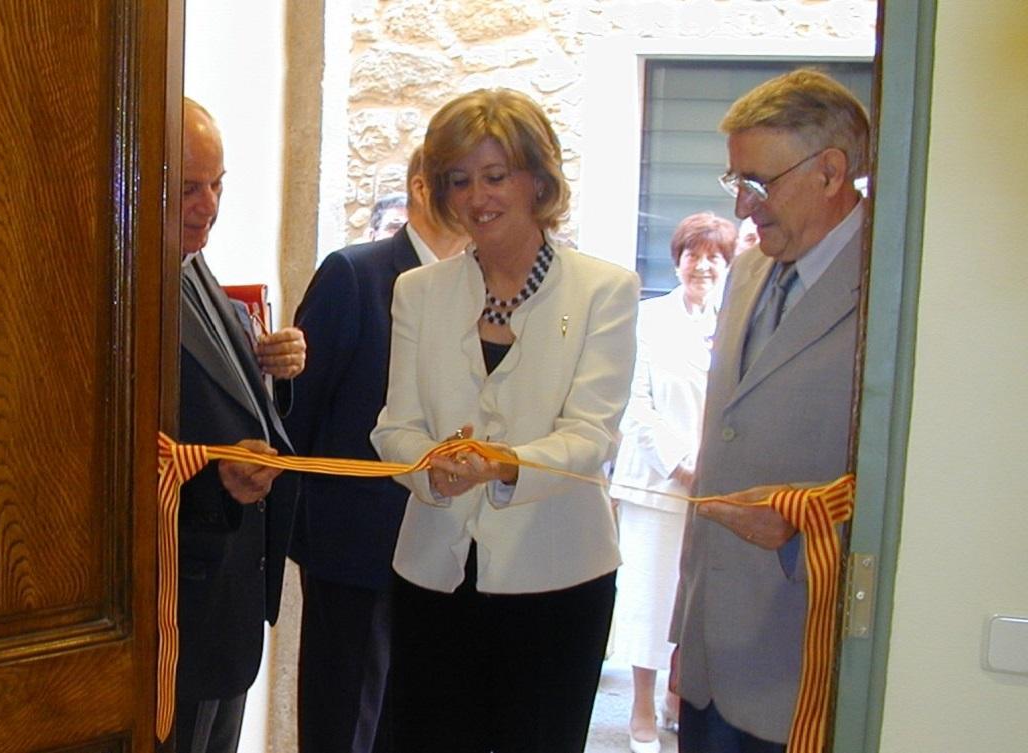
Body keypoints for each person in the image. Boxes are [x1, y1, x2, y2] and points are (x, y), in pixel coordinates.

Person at [370, 88, 639, 753]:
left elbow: (592, 433)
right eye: (457, 180)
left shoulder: (604, 290)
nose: (476, 197)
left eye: (495, 176)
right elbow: (394, 427)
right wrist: (433, 467)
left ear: (538, 181)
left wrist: (505, 465)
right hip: (435, 577)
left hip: (558, 582)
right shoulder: (418, 290)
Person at [669, 69, 870, 752]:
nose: (745, 207)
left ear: (831, 171)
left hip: (803, 659)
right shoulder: (750, 270)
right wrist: (683, 634)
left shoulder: (893, 286)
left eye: (759, 181)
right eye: (736, 184)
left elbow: (913, 491)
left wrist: (796, 525)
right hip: (709, 660)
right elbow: (726, 435)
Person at [286, 145, 466, 753]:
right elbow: (298, 417)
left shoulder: (473, 287)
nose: (473, 198)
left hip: (442, 551)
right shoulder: (355, 275)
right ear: (420, 187)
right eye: (456, 181)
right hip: (357, 552)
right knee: (344, 726)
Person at [175, 97, 307, 753]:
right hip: (179, 600)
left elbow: (225, 404)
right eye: (190, 187)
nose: (210, 205)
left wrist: (273, 373)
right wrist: (214, 465)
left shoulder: (195, 266)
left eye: (218, 183)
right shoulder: (117, 286)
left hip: (227, 593)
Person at [608, 212, 737, 753]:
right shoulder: (647, 319)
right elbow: (632, 403)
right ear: (676, 258)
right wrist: (680, 461)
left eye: (714, 256)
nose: (702, 265)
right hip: (657, 484)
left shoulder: (735, 320)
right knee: (650, 597)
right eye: (692, 254)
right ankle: (641, 706)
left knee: (698, 601)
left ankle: (677, 697)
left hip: (717, 489)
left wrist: (714, 464)